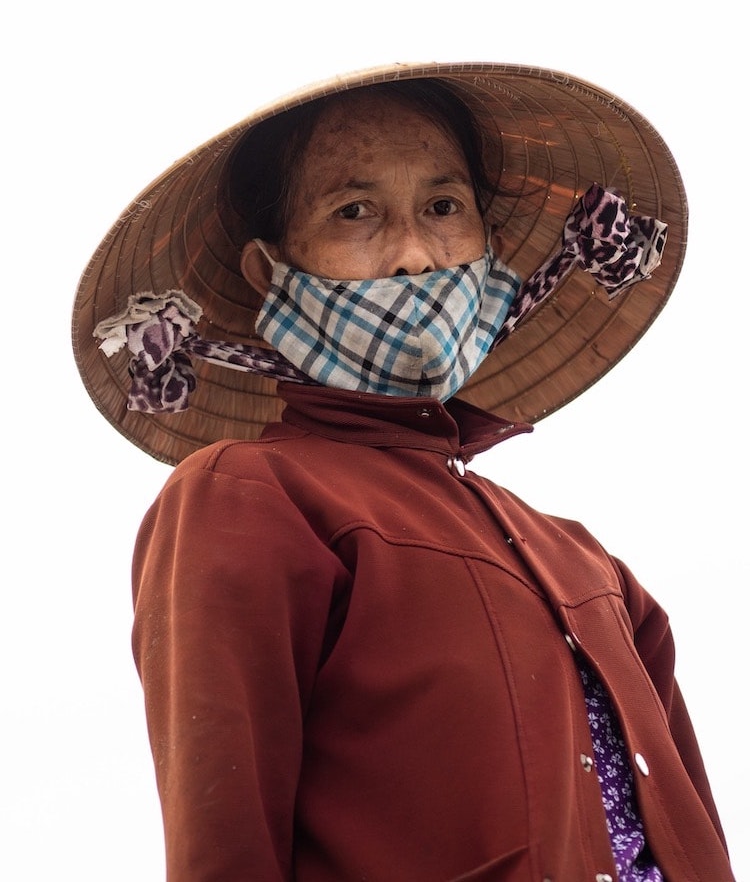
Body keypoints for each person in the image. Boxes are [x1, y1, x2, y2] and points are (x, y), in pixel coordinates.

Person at [72, 63, 735, 881]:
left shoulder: (590, 567)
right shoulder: (248, 496)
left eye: (444, 209)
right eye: (355, 212)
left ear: (489, 247)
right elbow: (226, 842)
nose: (417, 257)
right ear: (268, 271)